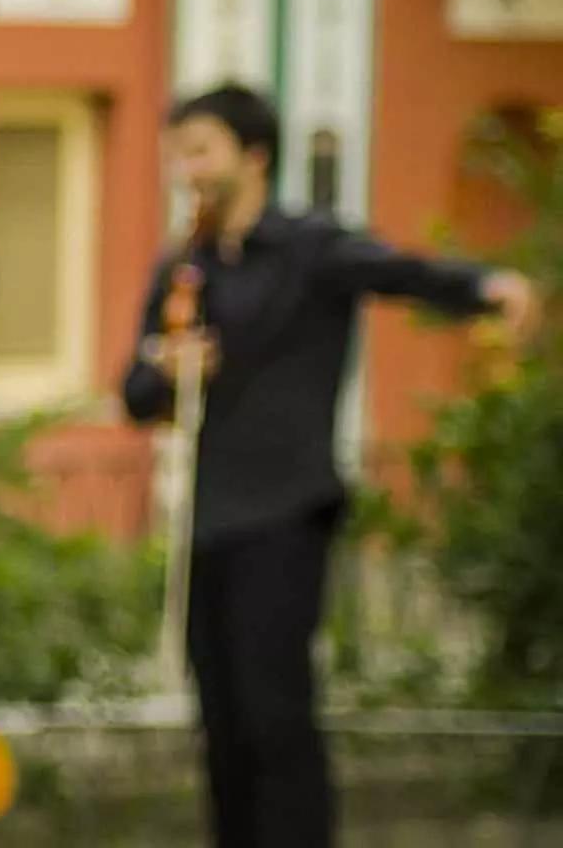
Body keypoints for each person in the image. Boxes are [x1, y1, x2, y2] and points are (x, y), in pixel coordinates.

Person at [122, 83, 539, 848]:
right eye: (177, 153)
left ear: (253, 156)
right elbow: (136, 392)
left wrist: (487, 287)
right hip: (206, 522)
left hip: (284, 513)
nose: (186, 169)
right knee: (222, 724)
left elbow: (401, 272)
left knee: (275, 717)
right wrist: (174, 367)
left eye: (200, 150)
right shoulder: (186, 268)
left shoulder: (310, 248)